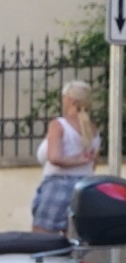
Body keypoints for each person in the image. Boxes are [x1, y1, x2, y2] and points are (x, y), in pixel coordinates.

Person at [32, 80, 97, 235]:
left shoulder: (59, 125)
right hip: (84, 188)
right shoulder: (93, 129)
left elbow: (54, 158)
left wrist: (77, 160)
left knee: (41, 237)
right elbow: (93, 163)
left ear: (70, 100)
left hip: (58, 185)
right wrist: (82, 162)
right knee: (73, 239)